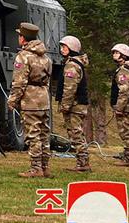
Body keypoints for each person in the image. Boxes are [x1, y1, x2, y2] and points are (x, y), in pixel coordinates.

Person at [7, 22, 52, 178]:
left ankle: (35, 168)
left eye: (19, 35)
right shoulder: (45, 57)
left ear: (23, 38)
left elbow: (19, 82)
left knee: (32, 135)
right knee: (44, 134)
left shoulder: (23, 56)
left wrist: (12, 100)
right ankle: (45, 167)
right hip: (44, 99)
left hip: (30, 100)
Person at [55, 35, 90, 172]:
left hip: (74, 105)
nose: (62, 50)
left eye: (64, 47)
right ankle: (82, 161)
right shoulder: (74, 63)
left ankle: (82, 162)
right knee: (76, 133)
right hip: (76, 105)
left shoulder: (72, 65)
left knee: (76, 134)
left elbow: (70, 88)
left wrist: (65, 105)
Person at [110, 43, 129, 165]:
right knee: (126, 131)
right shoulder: (126, 69)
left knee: (126, 132)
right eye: (113, 52)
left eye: (117, 53)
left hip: (126, 106)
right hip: (127, 106)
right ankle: (128, 155)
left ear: (124, 55)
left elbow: (124, 91)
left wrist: (119, 107)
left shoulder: (124, 71)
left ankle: (128, 158)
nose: (114, 55)